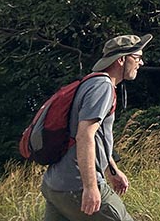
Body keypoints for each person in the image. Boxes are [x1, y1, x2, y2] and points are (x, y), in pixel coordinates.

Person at [42, 34, 151, 221]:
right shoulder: (102, 87)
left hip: (55, 186)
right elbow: (85, 135)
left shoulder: (91, 82)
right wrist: (91, 187)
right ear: (121, 60)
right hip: (75, 185)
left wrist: (112, 171)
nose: (141, 63)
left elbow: (98, 138)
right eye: (137, 57)